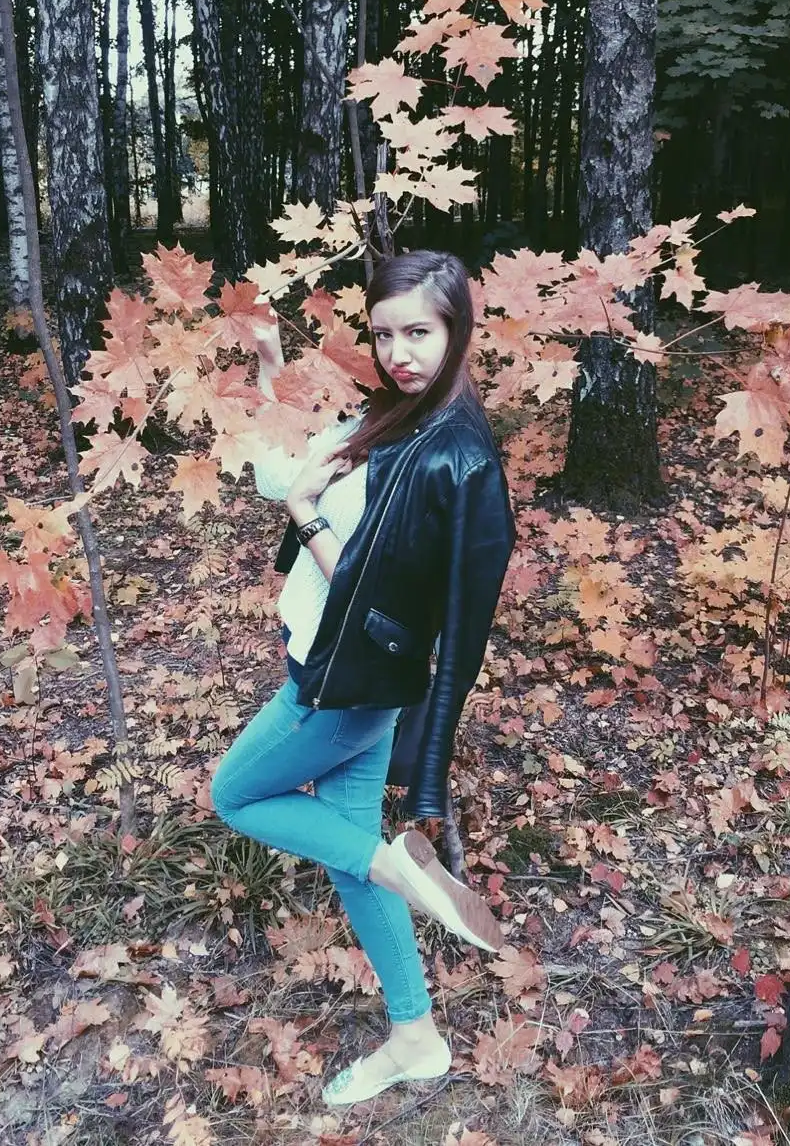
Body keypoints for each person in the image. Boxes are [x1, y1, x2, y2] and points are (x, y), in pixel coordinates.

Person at [209, 250, 516, 1107]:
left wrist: (306, 518)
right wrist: (272, 368)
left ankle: (404, 870)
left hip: (340, 686)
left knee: (235, 795)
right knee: (352, 861)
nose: (398, 353)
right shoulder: (394, 414)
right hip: (352, 678)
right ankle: (416, 1036)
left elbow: (383, 599)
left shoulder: (454, 456)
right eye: (383, 335)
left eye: (419, 332)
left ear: (458, 328)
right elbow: (281, 475)